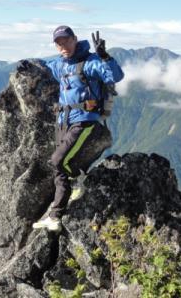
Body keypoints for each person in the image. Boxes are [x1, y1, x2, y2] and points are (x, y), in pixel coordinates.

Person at [28, 25, 124, 232]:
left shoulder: (90, 62)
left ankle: (75, 187)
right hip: (63, 121)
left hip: (84, 120)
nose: (63, 46)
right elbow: (44, 66)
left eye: (66, 41)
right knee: (58, 169)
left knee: (58, 161)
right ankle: (56, 214)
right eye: (59, 43)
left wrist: (105, 56)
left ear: (75, 39)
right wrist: (26, 65)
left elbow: (115, 76)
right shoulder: (60, 65)